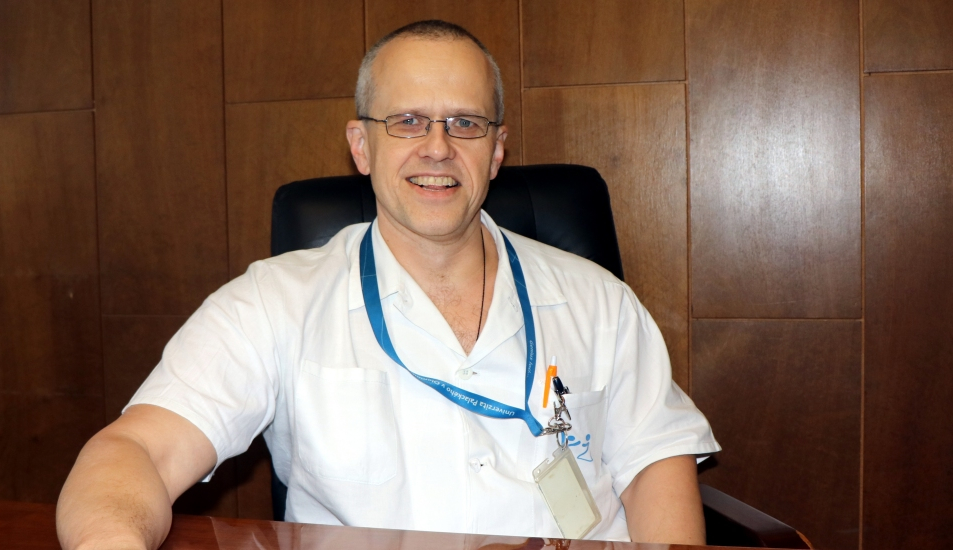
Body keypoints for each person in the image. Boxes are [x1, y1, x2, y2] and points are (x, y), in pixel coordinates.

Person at [56, 20, 719, 549]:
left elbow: (653, 473)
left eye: (465, 123)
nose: (437, 147)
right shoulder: (271, 304)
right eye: (406, 121)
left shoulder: (600, 302)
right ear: (360, 145)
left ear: (496, 151)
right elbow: (137, 450)